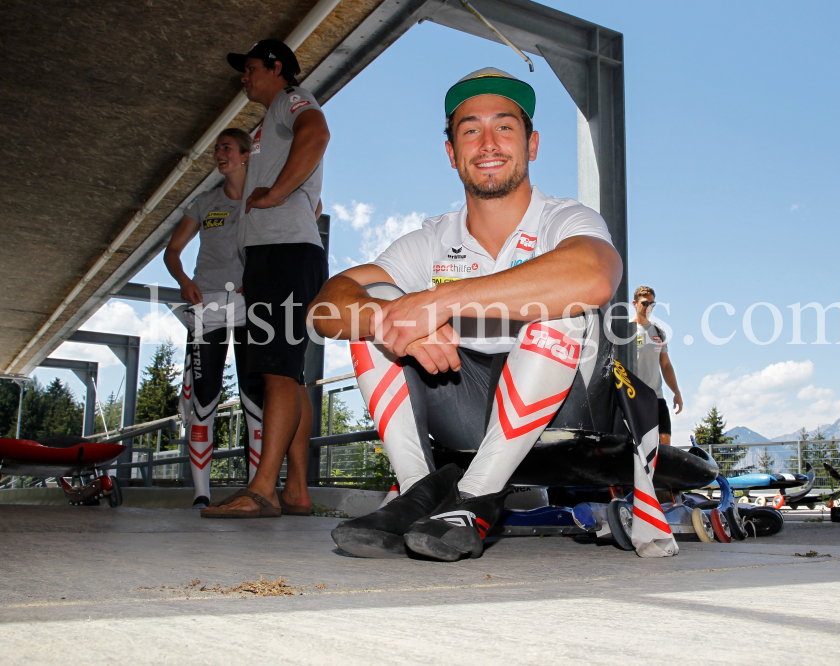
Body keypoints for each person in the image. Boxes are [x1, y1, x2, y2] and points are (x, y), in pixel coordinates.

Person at [310, 68, 676, 562]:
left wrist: (438, 302)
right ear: (451, 152)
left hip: (566, 410)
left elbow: (593, 275)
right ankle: (422, 492)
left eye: (504, 127)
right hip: (465, 407)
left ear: (532, 143)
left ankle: (477, 496)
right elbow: (325, 307)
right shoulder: (433, 237)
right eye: (470, 130)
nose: (488, 142)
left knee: (559, 301)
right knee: (374, 306)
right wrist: (391, 317)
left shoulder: (565, 218)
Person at [201, 40, 329, 518]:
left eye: (251, 68)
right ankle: (295, 490)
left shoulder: (290, 101)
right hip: (281, 254)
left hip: (285, 255)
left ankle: (262, 490)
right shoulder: (269, 121)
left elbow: (317, 134)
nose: (244, 77)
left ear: (277, 68)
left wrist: (276, 193)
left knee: (277, 371)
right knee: (288, 375)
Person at [164, 128, 265, 509]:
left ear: (245, 155)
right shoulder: (204, 202)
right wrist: (183, 280)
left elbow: (312, 206)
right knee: (205, 400)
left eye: (226, 147)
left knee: (253, 399)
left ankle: (256, 488)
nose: (219, 153)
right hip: (205, 306)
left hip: (249, 310)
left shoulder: (262, 199)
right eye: (216, 148)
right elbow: (173, 251)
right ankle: (201, 495)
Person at [631, 286, 682, 445]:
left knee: (665, 440)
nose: (648, 308)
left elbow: (665, 365)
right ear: (635, 303)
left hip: (656, 397)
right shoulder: (626, 331)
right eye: (645, 303)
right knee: (640, 444)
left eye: (652, 304)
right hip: (634, 397)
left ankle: (661, 470)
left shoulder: (658, 331)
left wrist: (676, 391)